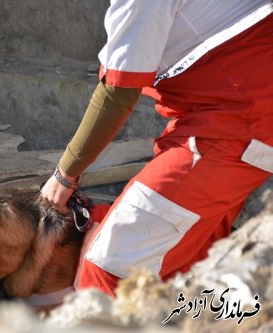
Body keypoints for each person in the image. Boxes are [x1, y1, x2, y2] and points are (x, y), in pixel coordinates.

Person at [41, 0, 272, 297]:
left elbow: (117, 95)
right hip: (229, 112)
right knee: (191, 264)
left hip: (237, 120)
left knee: (112, 266)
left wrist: (64, 176)